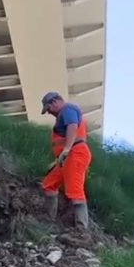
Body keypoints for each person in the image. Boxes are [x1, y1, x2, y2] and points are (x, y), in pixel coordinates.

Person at [40, 91, 92, 230]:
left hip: (75, 153)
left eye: (49, 108)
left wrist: (67, 149)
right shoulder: (62, 114)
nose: (49, 112)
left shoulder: (68, 109)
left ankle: (82, 230)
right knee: (49, 184)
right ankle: (49, 222)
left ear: (55, 102)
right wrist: (57, 160)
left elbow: (72, 126)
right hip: (66, 157)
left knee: (75, 190)